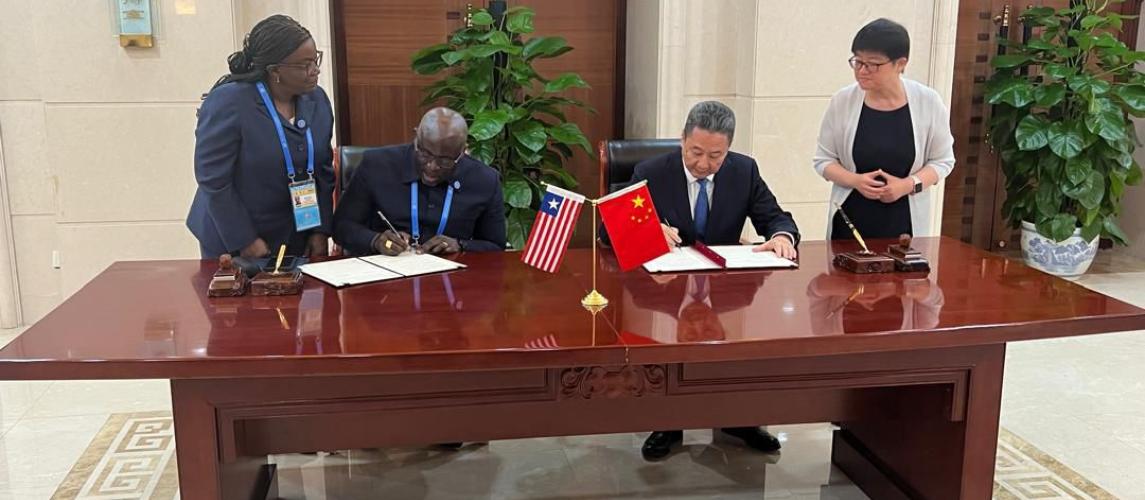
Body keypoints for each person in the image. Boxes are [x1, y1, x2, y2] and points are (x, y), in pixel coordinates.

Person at [630, 100, 799, 460]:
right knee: (671, 345)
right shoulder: (651, 172)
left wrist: (783, 237)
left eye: (715, 156)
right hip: (666, 288)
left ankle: (739, 420)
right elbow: (607, 231)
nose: (703, 164)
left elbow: (776, 217)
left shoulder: (744, 171)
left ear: (728, 150)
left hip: (723, 285)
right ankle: (668, 424)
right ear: (682, 141)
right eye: (695, 152)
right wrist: (648, 230)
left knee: (740, 343)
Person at [187, 15, 335, 259]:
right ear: (275, 70)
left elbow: (323, 171)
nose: (315, 70)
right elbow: (214, 180)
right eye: (305, 65)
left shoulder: (317, 99)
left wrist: (320, 230)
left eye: (315, 59)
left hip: (297, 230)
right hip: (233, 238)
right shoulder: (229, 102)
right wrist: (244, 239)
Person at [814, 18, 955, 240]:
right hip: (850, 219)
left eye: (872, 64)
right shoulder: (843, 101)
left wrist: (907, 185)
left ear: (900, 64)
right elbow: (823, 161)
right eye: (857, 62)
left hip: (904, 221)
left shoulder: (928, 102)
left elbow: (943, 161)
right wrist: (855, 181)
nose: (862, 71)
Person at [333, 107, 506, 256]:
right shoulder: (377, 166)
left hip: (451, 282)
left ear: (462, 151)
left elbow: (495, 245)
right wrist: (376, 240)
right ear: (417, 137)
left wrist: (461, 245)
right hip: (387, 279)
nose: (432, 166)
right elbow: (341, 227)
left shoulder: (485, 180)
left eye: (445, 161)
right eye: (425, 154)